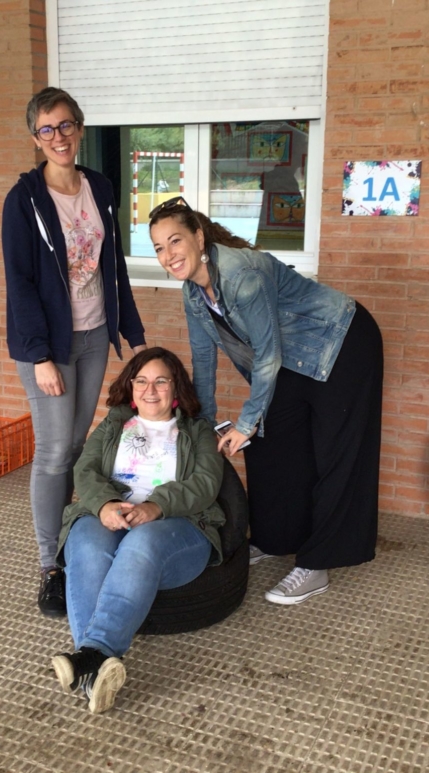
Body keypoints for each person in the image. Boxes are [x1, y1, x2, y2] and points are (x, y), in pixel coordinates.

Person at [148, 197, 383, 606]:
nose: (169, 255)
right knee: (271, 444)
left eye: (175, 241)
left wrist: (246, 422)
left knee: (335, 453)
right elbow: (203, 360)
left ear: (198, 237)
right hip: (293, 357)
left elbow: (267, 354)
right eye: (158, 248)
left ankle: (318, 561)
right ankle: (276, 538)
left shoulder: (242, 275)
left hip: (341, 342)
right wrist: (203, 422)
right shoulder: (193, 293)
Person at [2, 88, 147, 617]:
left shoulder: (100, 187)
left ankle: (71, 537)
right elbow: (19, 281)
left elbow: (114, 267)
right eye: (47, 129)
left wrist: (133, 333)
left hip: (93, 334)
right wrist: (40, 356)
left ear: (80, 128)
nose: (58, 137)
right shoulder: (23, 200)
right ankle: (50, 565)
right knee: (53, 450)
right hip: (49, 345)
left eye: (66, 125)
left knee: (78, 445)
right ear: (35, 138)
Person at [50, 347, 225, 713]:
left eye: (161, 381)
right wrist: (104, 504)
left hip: (177, 526)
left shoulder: (197, 430)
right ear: (130, 387)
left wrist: (156, 506)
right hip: (113, 513)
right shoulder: (115, 423)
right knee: (85, 542)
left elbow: (206, 483)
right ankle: (94, 671)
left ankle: (91, 654)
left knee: (141, 543)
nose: (150, 390)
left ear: (176, 386)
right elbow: (85, 469)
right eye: (141, 381)